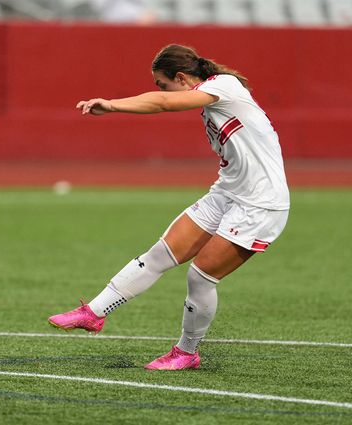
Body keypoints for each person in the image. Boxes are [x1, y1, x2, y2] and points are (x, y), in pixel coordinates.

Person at [48, 44, 290, 370]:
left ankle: (187, 352)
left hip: (260, 204)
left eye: (162, 83)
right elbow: (165, 98)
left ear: (180, 77)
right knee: (159, 255)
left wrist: (112, 105)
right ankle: (93, 313)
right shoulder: (214, 96)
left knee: (201, 277)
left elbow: (163, 102)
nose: (162, 90)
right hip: (227, 193)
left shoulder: (224, 87)